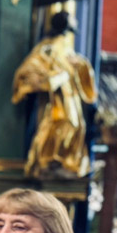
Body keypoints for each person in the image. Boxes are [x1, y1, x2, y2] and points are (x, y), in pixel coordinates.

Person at [13, 11, 96, 178]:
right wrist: (55, 77)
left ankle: (65, 162)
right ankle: (50, 160)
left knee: (77, 125)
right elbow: (29, 70)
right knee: (64, 124)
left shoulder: (66, 46)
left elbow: (79, 73)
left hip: (69, 95)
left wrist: (79, 66)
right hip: (56, 99)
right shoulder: (46, 47)